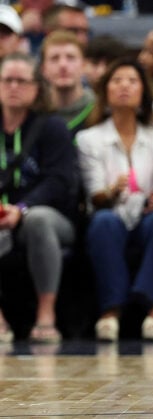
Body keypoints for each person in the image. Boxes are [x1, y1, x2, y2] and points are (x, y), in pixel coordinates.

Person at [76, 58, 153, 342]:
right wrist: (110, 191)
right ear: (105, 91)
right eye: (117, 81)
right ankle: (111, 310)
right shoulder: (88, 139)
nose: (124, 87)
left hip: (146, 215)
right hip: (111, 214)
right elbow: (94, 196)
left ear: (143, 91)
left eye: (132, 81)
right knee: (104, 222)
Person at [0, 52, 77, 343]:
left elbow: (59, 181)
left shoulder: (51, 127)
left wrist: (22, 208)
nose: (13, 86)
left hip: (49, 217)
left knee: (38, 220)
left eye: (22, 80)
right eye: (7, 80)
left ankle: (47, 313)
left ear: (36, 88)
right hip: (2, 215)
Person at [41, 30, 95, 136]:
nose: (63, 65)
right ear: (43, 69)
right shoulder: (33, 112)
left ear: (84, 65)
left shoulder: (98, 110)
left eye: (70, 57)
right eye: (54, 58)